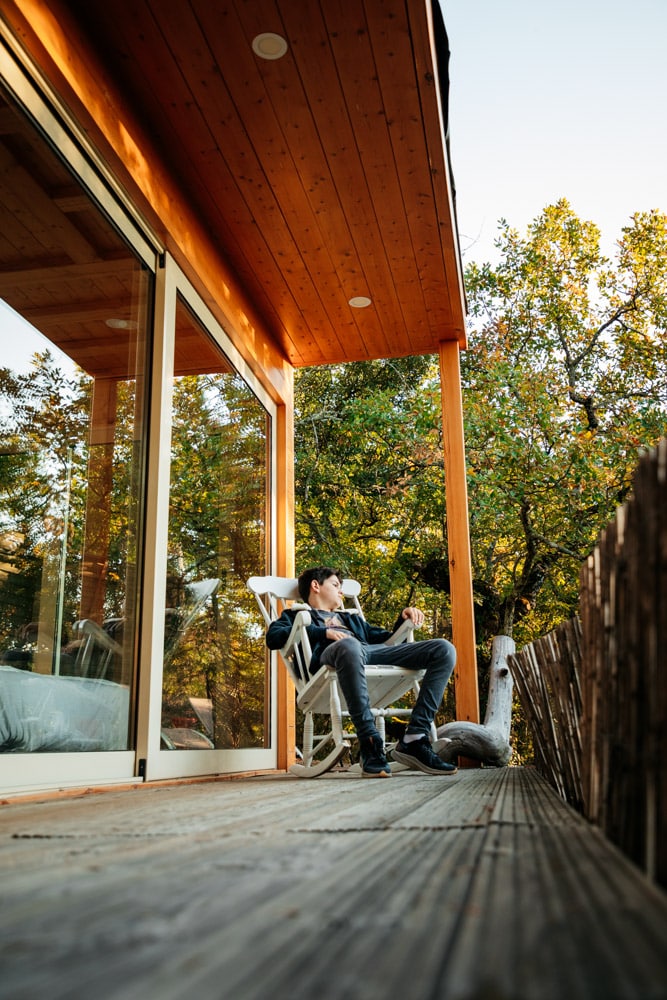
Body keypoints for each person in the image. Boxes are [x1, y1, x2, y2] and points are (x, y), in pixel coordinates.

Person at [266, 566, 458, 778]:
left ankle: (415, 737)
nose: (341, 591)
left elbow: (386, 639)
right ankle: (369, 741)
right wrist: (323, 632)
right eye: (336, 585)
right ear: (315, 585)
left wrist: (403, 619)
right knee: (349, 645)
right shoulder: (295, 616)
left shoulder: (352, 619)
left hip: (368, 653)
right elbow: (273, 638)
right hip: (330, 660)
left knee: (443, 649)